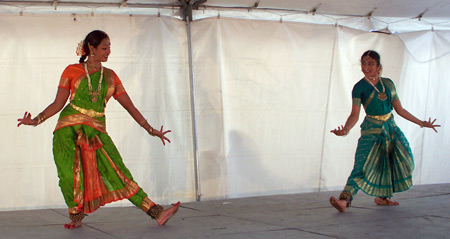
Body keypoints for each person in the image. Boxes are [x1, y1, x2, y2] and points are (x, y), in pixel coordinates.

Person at [17, 30, 180, 228]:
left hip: (96, 132)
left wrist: (150, 129)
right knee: (69, 175)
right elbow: (58, 103)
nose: (109, 51)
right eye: (105, 47)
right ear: (91, 49)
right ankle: (76, 216)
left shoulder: (111, 76)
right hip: (67, 130)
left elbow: (130, 106)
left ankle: (156, 212)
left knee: (118, 171)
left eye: (110, 47)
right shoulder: (71, 70)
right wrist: (36, 120)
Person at [329, 50, 440, 212]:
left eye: (370, 64)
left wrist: (421, 123)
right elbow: (354, 114)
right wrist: (346, 130)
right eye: (364, 63)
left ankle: (383, 197)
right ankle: (344, 200)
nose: (366, 67)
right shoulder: (359, 87)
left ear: (378, 66)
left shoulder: (388, 84)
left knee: (398, 160)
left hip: (391, 129)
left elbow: (400, 110)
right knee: (361, 166)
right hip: (371, 131)